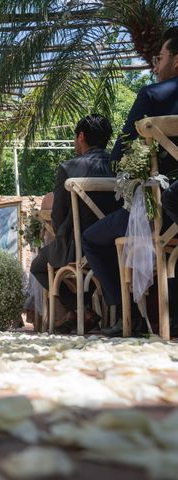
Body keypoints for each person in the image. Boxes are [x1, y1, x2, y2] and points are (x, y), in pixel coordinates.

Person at [82, 26, 178, 336]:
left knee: (92, 239)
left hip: (160, 211)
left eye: (159, 57)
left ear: (176, 61)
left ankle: (129, 317)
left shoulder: (152, 95)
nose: (155, 64)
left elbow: (117, 155)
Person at [29, 114, 119, 333]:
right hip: (118, 245)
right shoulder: (119, 164)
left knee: (38, 266)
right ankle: (89, 311)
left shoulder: (68, 167)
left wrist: (61, 237)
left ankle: (81, 310)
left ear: (81, 136)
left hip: (78, 247)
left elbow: (58, 216)